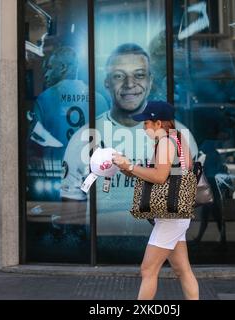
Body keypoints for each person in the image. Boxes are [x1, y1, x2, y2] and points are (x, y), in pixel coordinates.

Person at [60, 43, 198, 209]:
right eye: (119, 76)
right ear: (106, 82)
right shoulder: (83, 138)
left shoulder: (179, 134)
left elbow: (192, 202)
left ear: (150, 80)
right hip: (104, 234)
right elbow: (71, 213)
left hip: (162, 234)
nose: (129, 84)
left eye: (139, 75)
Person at [112, 101, 199, 300]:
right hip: (177, 213)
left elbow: (160, 177)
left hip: (170, 216)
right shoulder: (178, 138)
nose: (144, 128)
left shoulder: (166, 143)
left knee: (148, 270)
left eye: (146, 124)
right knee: (182, 270)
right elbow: (176, 173)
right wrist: (128, 168)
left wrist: (131, 167)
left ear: (158, 123)